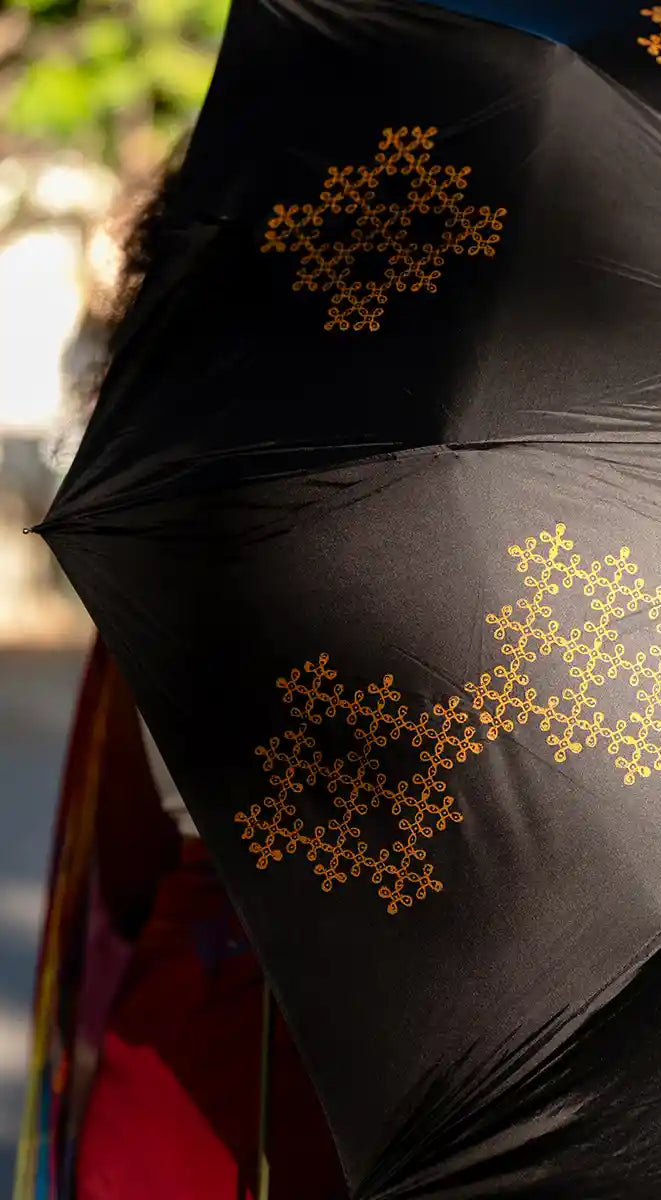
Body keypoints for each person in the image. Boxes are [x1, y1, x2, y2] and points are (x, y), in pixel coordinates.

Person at [16, 166, 348, 1200]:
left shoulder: (171, 510)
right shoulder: (514, 560)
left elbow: (120, 859)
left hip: (192, 1020)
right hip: (406, 1048)